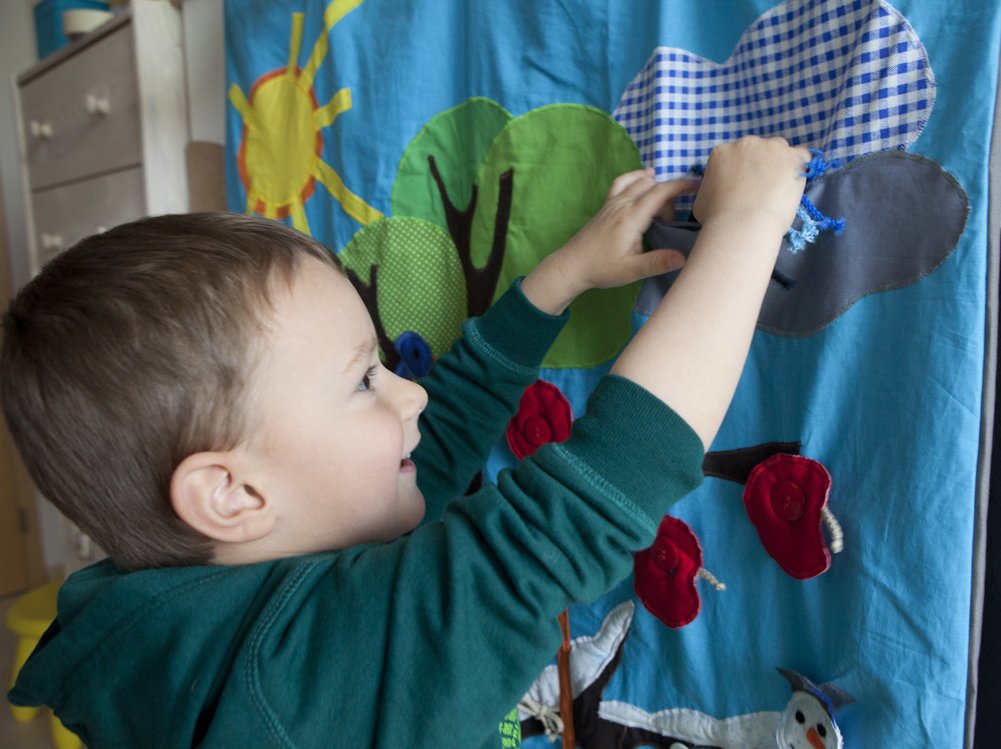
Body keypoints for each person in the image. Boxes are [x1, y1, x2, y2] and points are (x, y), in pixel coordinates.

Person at [3, 136, 808, 748]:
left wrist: (559, 280)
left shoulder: (194, 584)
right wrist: (746, 223)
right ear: (233, 493)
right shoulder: (301, 681)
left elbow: (415, 459)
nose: (409, 390)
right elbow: (579, 508)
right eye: (363, 380)